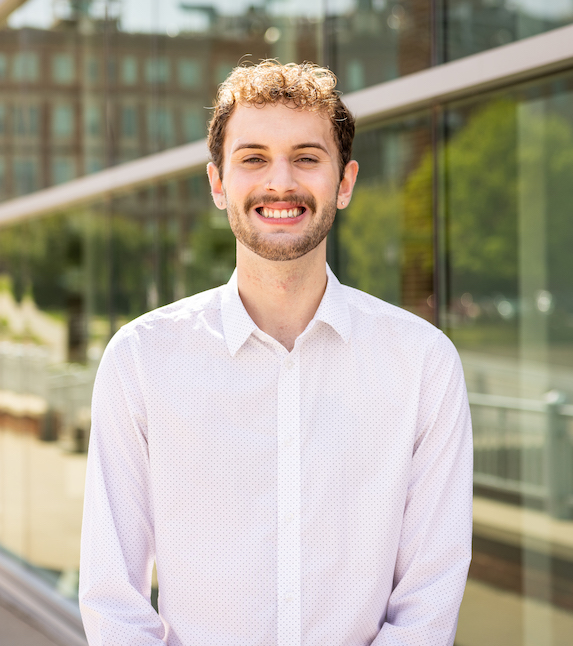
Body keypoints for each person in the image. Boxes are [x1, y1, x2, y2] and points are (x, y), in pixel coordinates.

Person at [79, 61, 473, 646]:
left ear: (345, 182)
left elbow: (429, 595)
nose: (280, 183)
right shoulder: (141, 360)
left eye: (307, 158)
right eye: (254, 157)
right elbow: (114, 598)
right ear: (218, 183)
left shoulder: (422, 364)